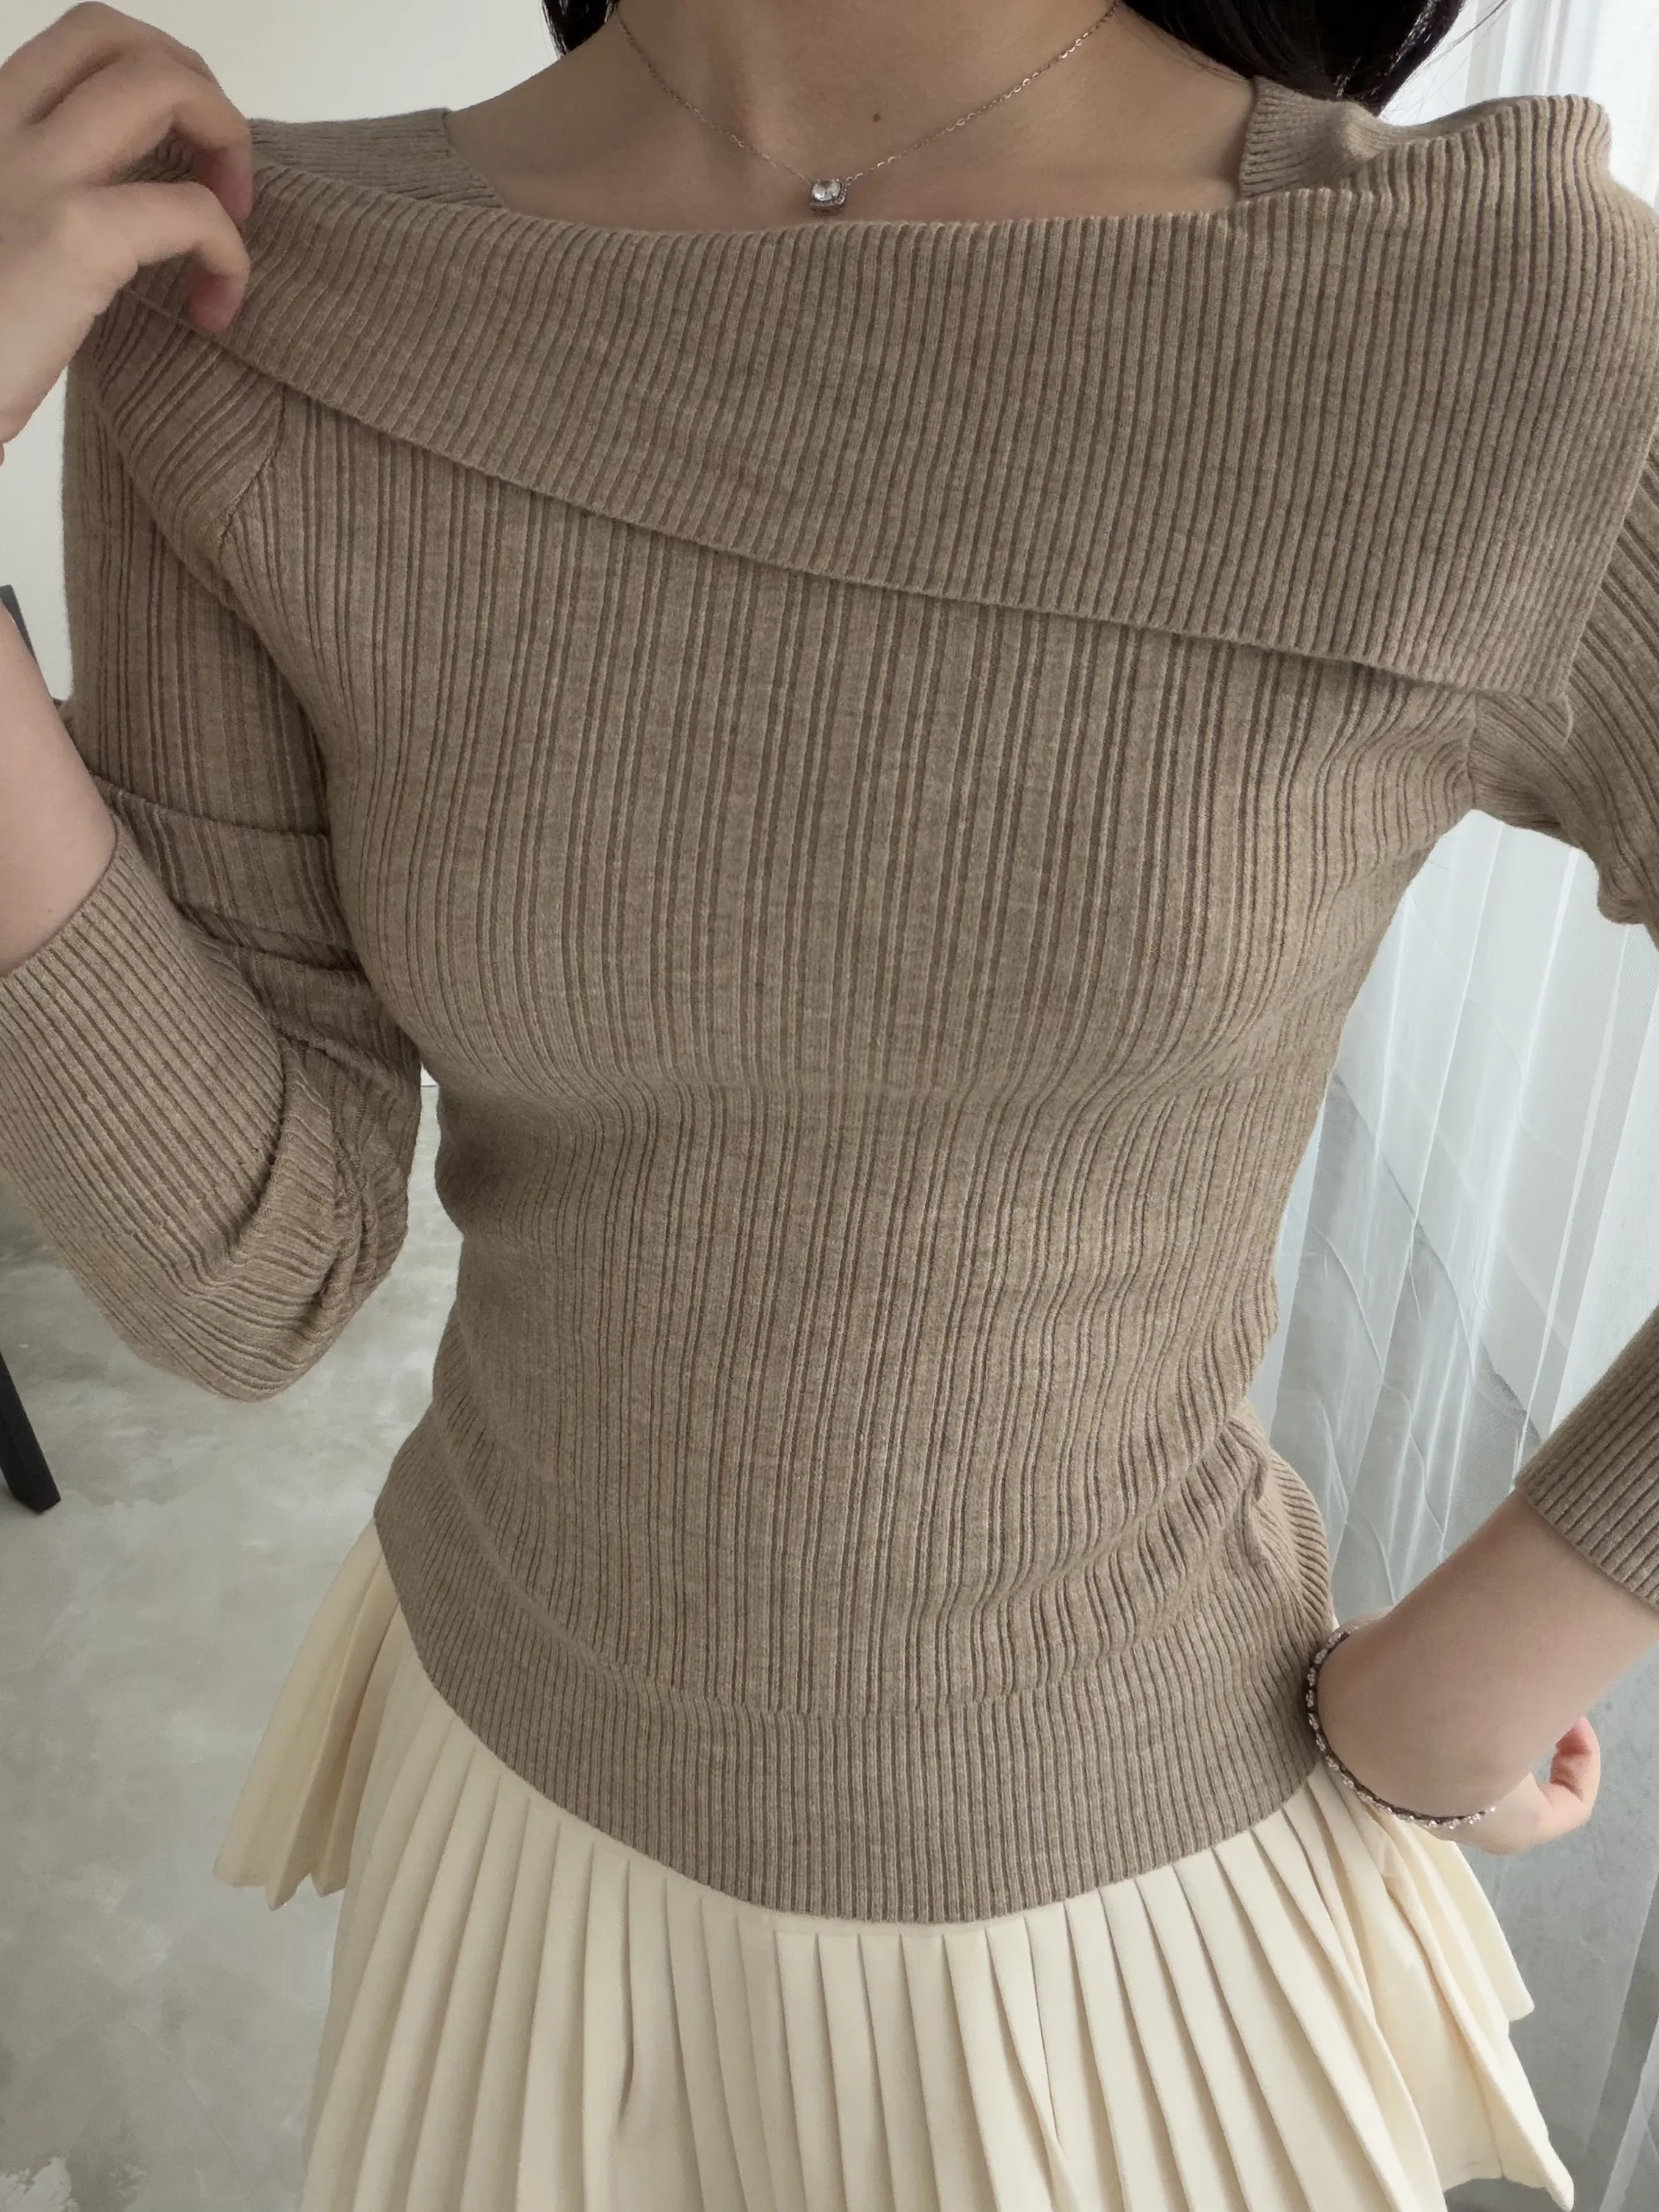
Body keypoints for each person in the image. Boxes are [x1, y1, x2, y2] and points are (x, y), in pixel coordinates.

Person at [2, 1, 1658, 2203]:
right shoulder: (248, 310)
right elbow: (253, 1273)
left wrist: (1489, 1660)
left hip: (1106, 1908)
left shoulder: (1478, 335)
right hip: (514, 1807)